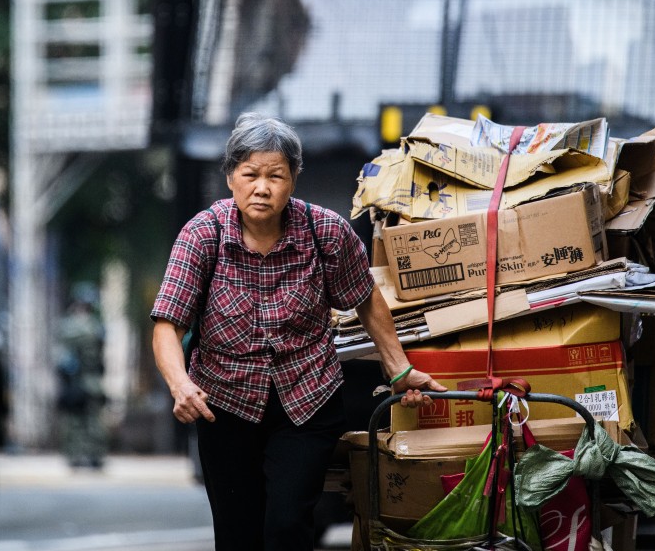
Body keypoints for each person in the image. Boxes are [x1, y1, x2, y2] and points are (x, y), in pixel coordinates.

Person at [150, 112, 446, 551]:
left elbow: (366, 298)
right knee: (237, 534)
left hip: (305, 402)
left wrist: (399, 370)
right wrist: (180, 385)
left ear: (294, 180)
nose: (262, 187)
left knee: (288, 524)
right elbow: (168, 323)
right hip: (224, 407)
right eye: (250, 174)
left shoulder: (326, 232)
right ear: (231, 177)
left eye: (276, 175)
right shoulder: (202, 235)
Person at [55, 282, 108, 469]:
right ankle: (96, 457)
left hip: (75, 381)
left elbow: (60, 359)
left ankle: (75, 457)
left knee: (75, 421)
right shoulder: (97, 327)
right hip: (92, 380)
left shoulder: (67, 326)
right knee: (93, 420)